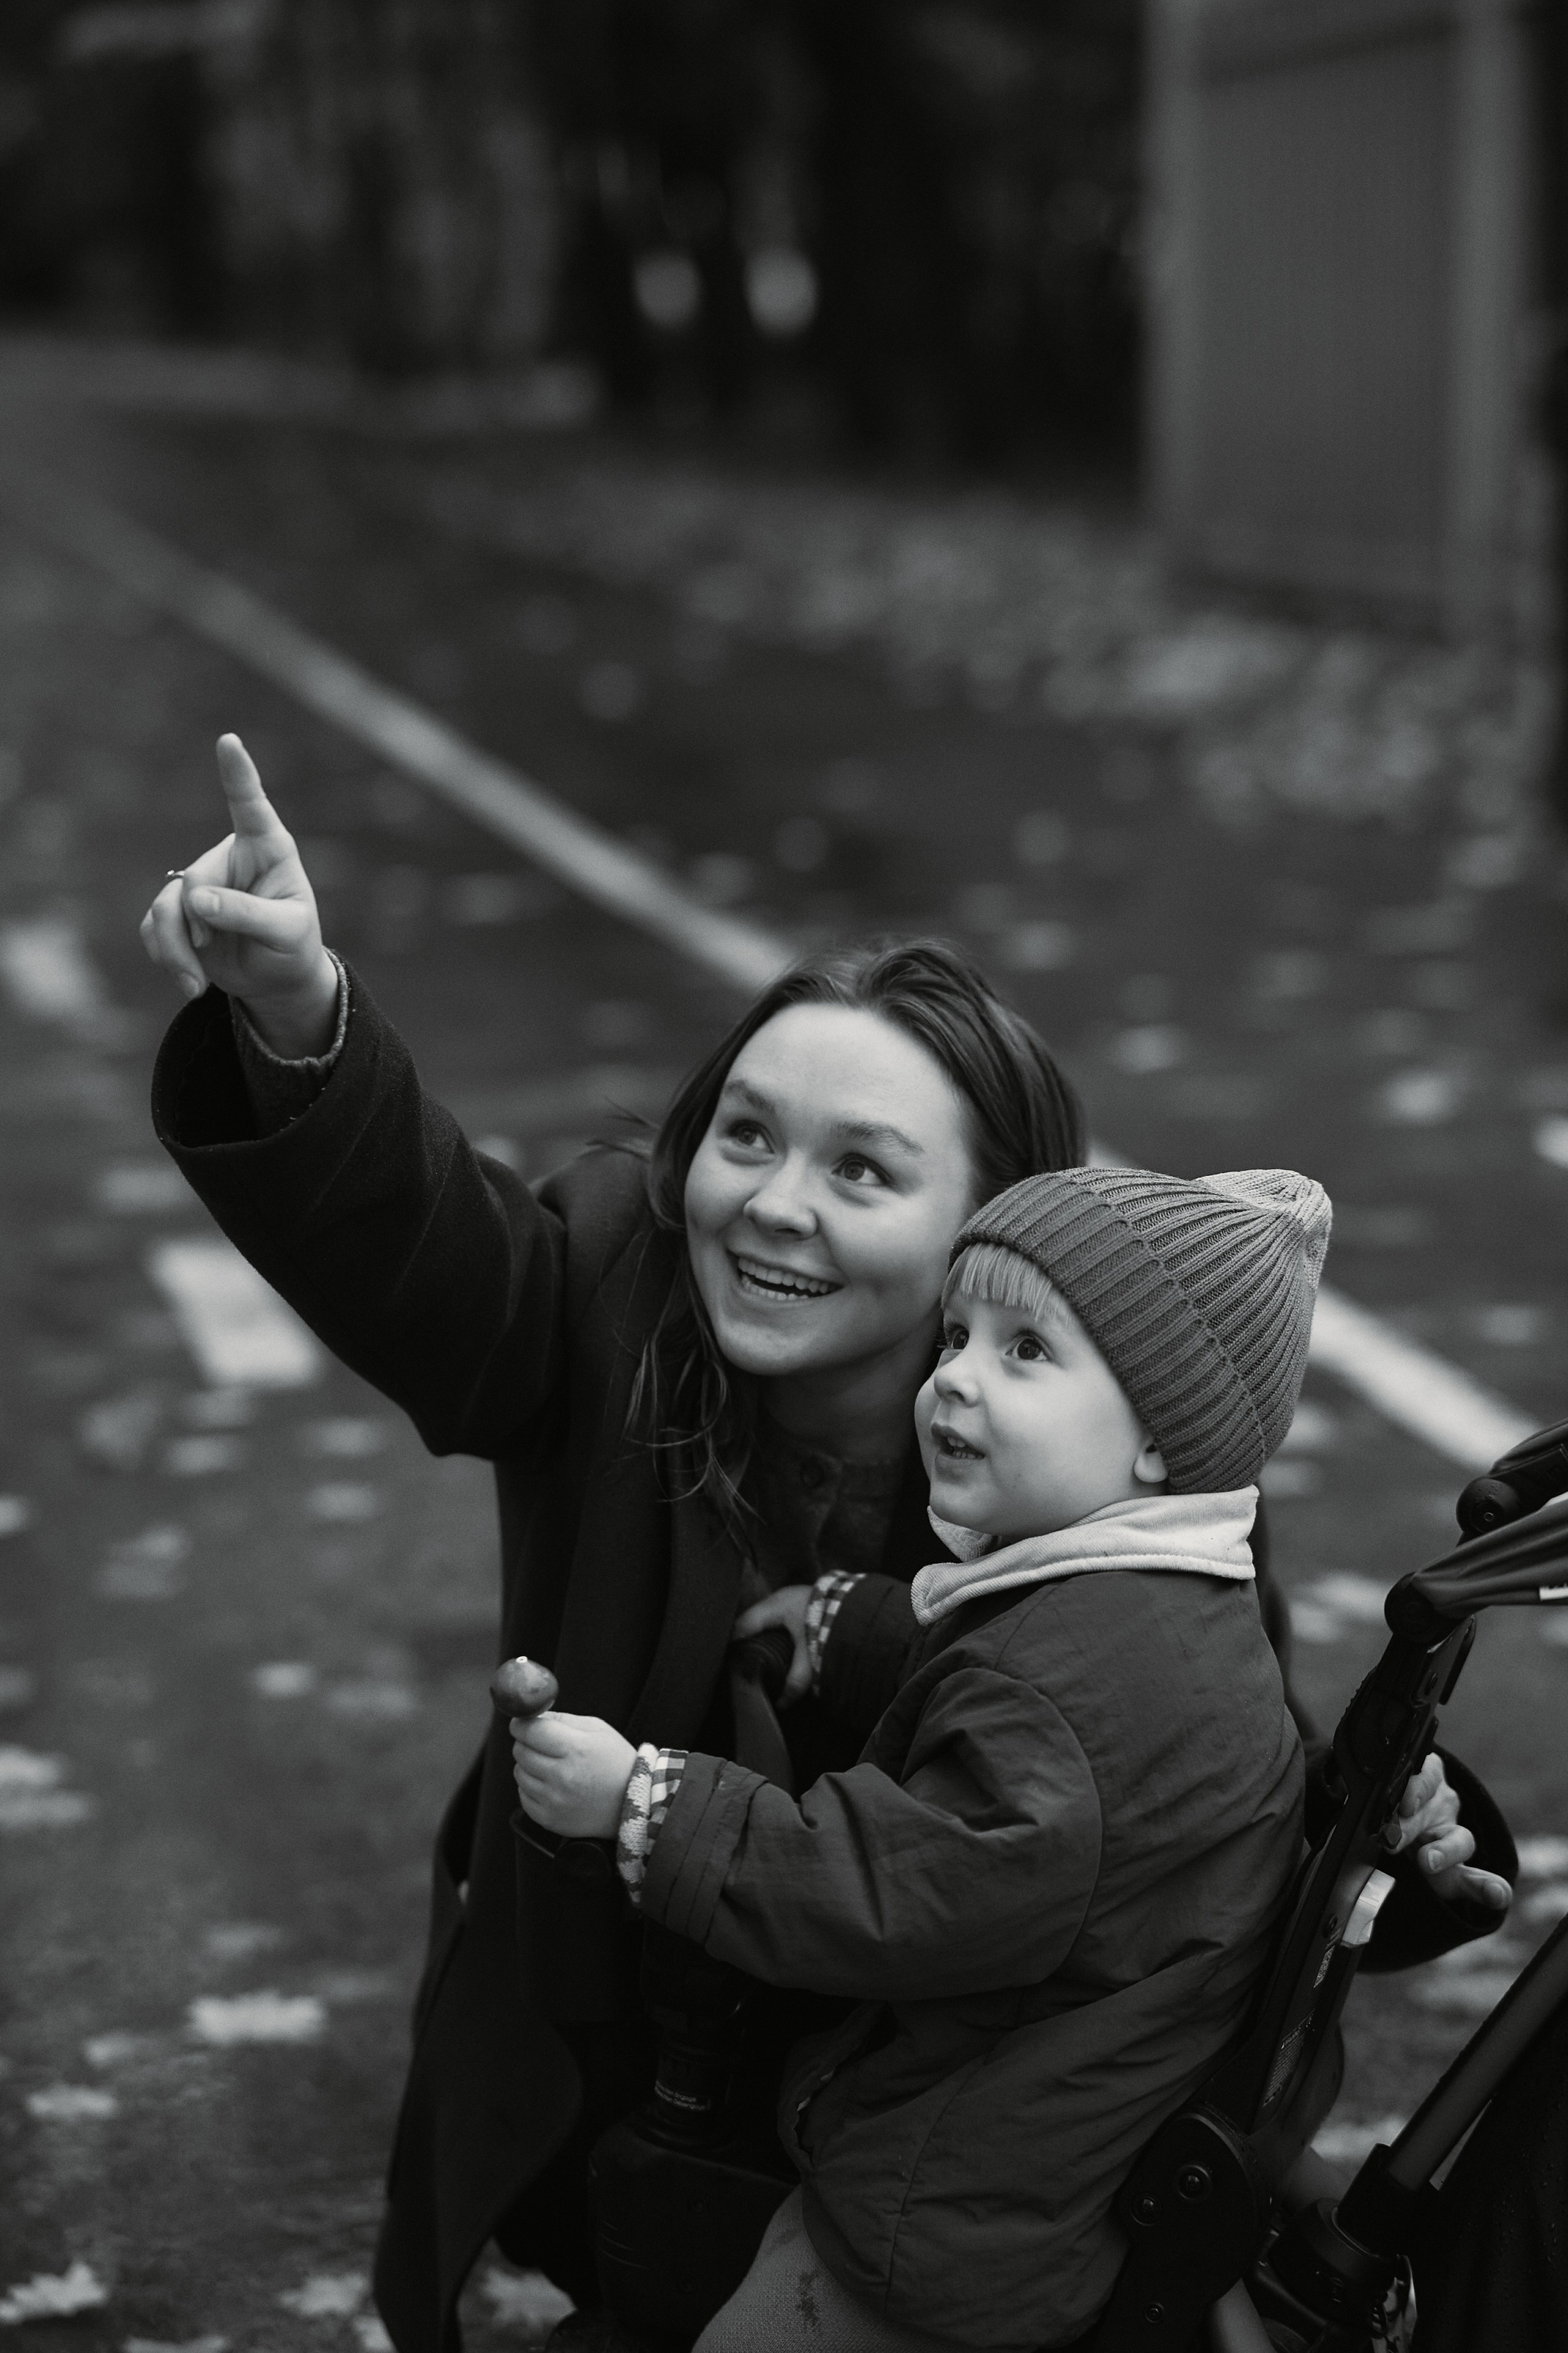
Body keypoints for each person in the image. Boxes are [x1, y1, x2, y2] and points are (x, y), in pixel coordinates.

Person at [141, 739, 1512, 2353]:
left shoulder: (1125, 1470)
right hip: (627, 2096)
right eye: (745, 1134)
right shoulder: (609, 1285)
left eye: (863, 1168)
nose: (775, 1204)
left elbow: (1193, 1820)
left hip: (927, 2165)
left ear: (996, 1227)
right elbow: (419, 1244)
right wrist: (297, 1017)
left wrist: (1400, 1839)